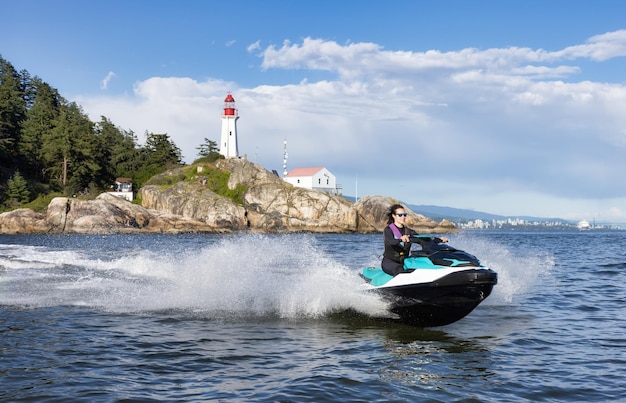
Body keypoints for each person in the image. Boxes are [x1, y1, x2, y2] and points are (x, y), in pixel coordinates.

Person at [381, 204, 448, 276]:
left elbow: (422, 239)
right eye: (400, 215)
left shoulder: (409, 231)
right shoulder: (388, 230)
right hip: (389, 262)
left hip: (404, 261)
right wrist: (401, 239)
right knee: (400, 270)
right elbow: (391, 242)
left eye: (404, 215)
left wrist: (439, 240)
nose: (403, 217)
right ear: (394, 216)